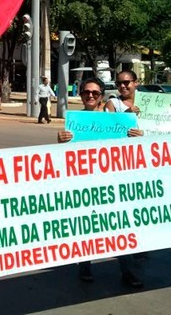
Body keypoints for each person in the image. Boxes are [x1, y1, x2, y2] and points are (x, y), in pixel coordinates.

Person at [56, 77, 143, 288]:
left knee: (121, 226)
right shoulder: (73, 122)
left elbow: (127, 151)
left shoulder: (114, 121)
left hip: (112, 183)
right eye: (87, 92)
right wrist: (60, 142)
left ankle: (128, 270)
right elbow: (63, 158)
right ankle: (85, 266)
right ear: (81, 95)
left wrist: (136, 135)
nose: (91, 96)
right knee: (86, 228)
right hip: (84, 185)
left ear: (101, 96)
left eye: (95, 93)